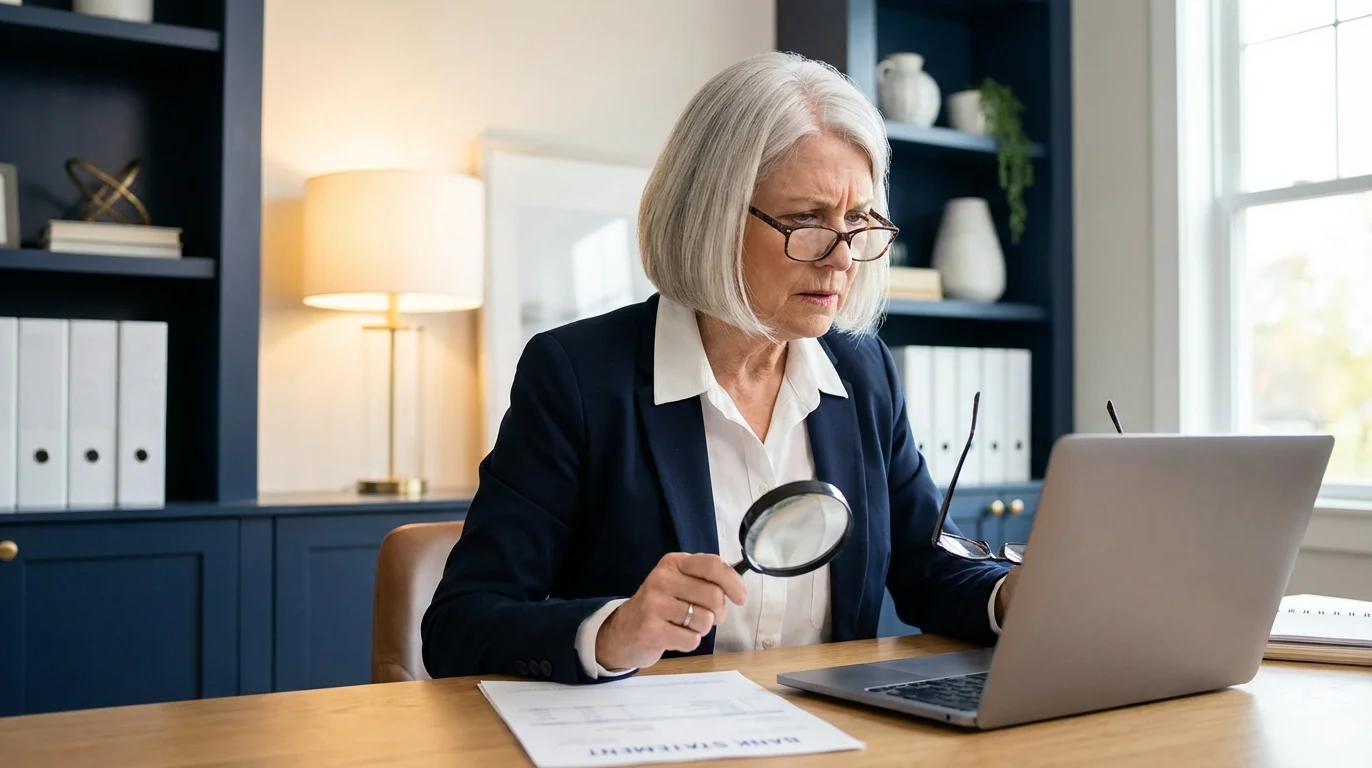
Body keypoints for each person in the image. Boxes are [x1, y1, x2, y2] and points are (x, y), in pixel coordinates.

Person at [421, 51, 1017, 685]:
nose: (843, 259)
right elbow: (461, 625)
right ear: (713, 215)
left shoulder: (862, 370)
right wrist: (614, 629)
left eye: (858, 221)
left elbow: (929, 567)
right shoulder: (577, 376)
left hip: (834, 738)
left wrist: (1012, 596)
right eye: (807, 220)